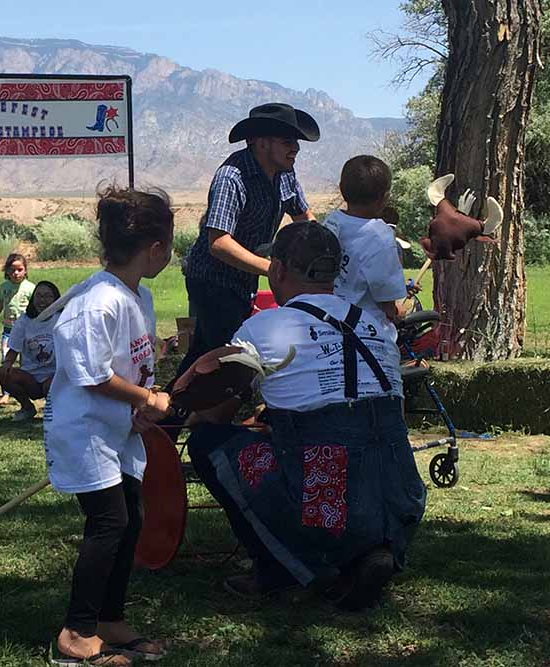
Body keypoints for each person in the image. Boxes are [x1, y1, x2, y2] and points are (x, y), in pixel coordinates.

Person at [185, 221, 426, 611]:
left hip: (329, 494)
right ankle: (368, 547)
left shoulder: (263, 327)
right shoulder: (375, 327)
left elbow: (216, 412)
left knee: (209, 443)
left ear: (277, 269)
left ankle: (280, 567)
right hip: (398, 495)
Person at [44, 186, 174, 666]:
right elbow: (93, 373)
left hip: (118, 430)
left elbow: (132, 362)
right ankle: (76, 633)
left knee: (130, 519)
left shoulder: (137, 296)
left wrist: (141, 406)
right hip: (84, 431)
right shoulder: (96, 302)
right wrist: (147, 398)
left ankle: (110, 620)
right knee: (109, 522)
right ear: (156, 248)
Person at [179, 102, 319, 376]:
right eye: (287, 141)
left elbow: (305, 218)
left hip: (243, 280)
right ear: (261, 142)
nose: (296, 148)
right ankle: (193, 409)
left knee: (208, 354)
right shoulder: (231, 177)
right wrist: (272, 269)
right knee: (231, 359)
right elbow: (218, 242)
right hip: (212, 281)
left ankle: (175, 408)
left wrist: (323, 248)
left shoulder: (286, 174)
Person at [322, 155, 408, 337]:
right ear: (384, 198)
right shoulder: (381, 235)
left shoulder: (331, 222)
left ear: (342, 189)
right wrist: (395, 311)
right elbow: (385, 294)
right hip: (368, 329)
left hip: (329, 319)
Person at [0, 280, 61, 422]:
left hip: (54, 375)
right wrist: (7, 364)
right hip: (30, 375)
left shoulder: (62, 319)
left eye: (48, 296)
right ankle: (27, 407)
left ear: (56, 299)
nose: (42, 300)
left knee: (56, 383)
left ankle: (55, 411)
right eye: (39, 296)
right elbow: (13, 349)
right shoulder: (24, 321)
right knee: (5, 374)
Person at [0, 253, 35, 406]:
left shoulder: (30, 288)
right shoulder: (4, 288)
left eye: (20, 269)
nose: (16, 273)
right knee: (6, 361)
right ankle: (6, 393)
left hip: (26, 332)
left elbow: (36, 309)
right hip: (8, 331)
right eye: (12, 270)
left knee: (26, 363)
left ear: (25, 271)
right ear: (7, 271)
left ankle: (26, 392)